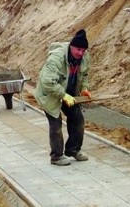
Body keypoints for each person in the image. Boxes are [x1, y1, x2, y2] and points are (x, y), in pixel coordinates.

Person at [35, 29, 92, 166]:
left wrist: (84, 89)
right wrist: (63, 95)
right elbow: (47, 82)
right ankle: (56, 156)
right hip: (50, 94)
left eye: (83, 50)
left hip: (69, 93)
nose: (80, 53)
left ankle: (73, 149)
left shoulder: (84, 57)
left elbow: (84, 75)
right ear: (71, 46)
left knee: (78, 119)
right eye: (78, 49)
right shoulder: (56, 58)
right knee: (56, 124)